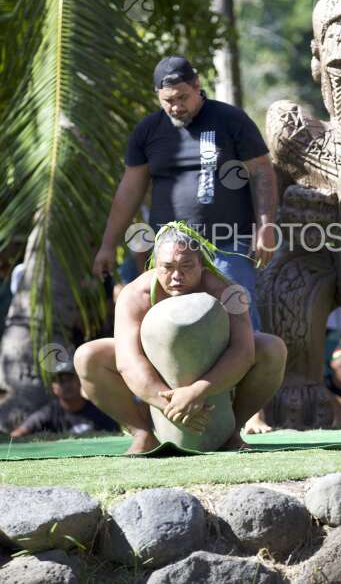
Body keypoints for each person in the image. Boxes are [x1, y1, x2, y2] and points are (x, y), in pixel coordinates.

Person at [93, 56, 277, 334]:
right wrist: (108, 244)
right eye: (168, 100)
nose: (176, 106)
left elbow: (262, 172)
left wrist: (266, 226)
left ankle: (251, 374)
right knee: (162, 325)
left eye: (183, 97)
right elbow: (129, 190)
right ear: (157, 96)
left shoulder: (230, 120)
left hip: (226, 245)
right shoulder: (148, 131)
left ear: (197, 85)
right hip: (169, 253)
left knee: (240, 316)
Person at [75, 224, 287, 454]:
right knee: (87, 356)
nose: (177, 276)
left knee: (272, 348)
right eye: (167, 267)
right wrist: (174, 405)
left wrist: (196, 391)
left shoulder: (227, 291)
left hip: (215, 370)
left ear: (202, 265)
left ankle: (231, 432)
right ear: (156, 266)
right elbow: (129, 361)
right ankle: (143, 433)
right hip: (156, 374)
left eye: (187, 266)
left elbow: (243, 352)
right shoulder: (135, 295)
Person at [10, 361, 119, 437]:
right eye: (61, 381)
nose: (66, 385)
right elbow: (18, 433)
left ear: (79, 381)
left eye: (70, 379)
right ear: (53, 388)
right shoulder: (49, 412)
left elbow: (116, 434)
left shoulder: (99, 410)